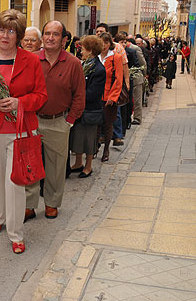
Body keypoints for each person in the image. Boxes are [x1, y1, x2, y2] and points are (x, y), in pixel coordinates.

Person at [0, 9, 47, 254]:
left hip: (20, 131)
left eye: (11, 31)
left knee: (15, 182)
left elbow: (41, 96)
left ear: (18, 35)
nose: (5, 35)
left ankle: (16, 232)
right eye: (1, 30)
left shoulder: (31, 61)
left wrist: (20, 103)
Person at [25, 21, 84, 220]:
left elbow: (79, 96)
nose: (50, 37)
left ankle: (52, 203)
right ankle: (29, 204)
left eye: (55, 34)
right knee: (29, 164)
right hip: (31, 120)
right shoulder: (30, 60)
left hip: (58, 122)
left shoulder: (74, 63)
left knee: (57, 167)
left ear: (64, 39)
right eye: (47, 33)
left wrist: (69, 120)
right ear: (42, 38)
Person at [70, 35, 106, 178]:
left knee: (89, 139)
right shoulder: (84, 65)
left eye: (83, 49)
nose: (81, 52)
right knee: (78, 137)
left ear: (90, 51)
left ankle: (88, 166)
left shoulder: (98, 70)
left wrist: (76, 93)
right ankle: (78, 163)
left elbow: (92, 94)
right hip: (80, 108)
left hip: (90, 110)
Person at [98, 32, 123, 163]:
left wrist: (113, 97)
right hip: (96, 96)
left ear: (110, 44)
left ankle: (106, 149)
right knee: (96, 123)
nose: (104, 45)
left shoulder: (116, 58)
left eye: (106, 43)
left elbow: (119, 79)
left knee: (108, 124)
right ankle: (95, 146)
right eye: (101, 42)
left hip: (109, 97)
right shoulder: (94, 57)